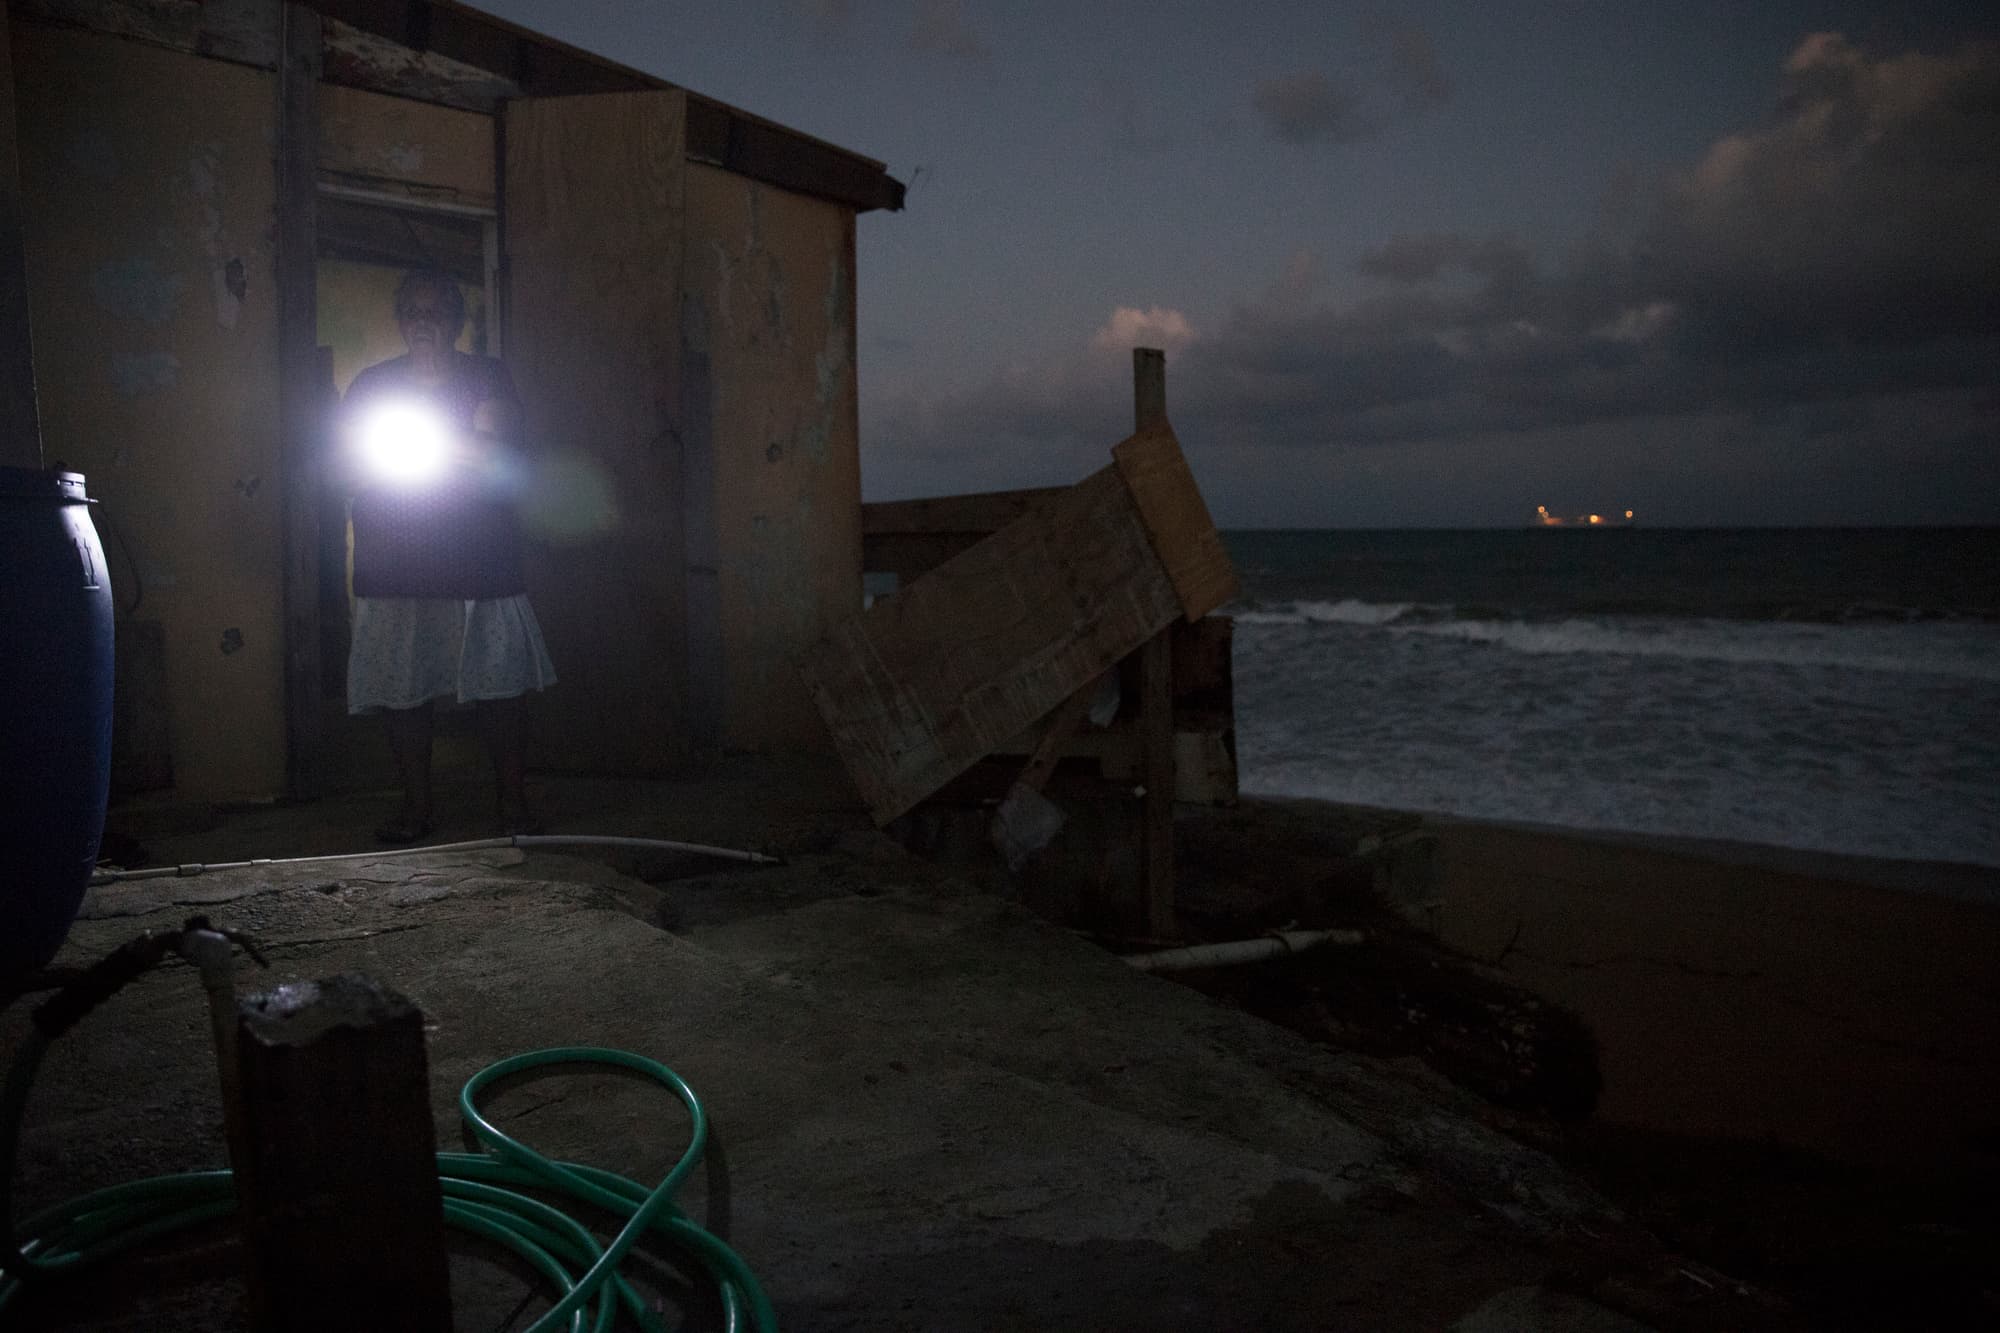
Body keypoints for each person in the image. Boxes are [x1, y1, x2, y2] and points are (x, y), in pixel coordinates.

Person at [338, 268, 555, 841]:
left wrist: (453, 453)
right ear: (400, 320)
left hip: (477, 558)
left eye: (436, 310)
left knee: (499, 684)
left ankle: (513, 806)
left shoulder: (487, 376)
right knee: (404, 689)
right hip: (397, 557)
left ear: (457, 320)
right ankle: (416, 808)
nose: (423, 320)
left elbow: (499, 454)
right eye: (412, 309)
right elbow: (348, 461)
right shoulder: (372, 385)